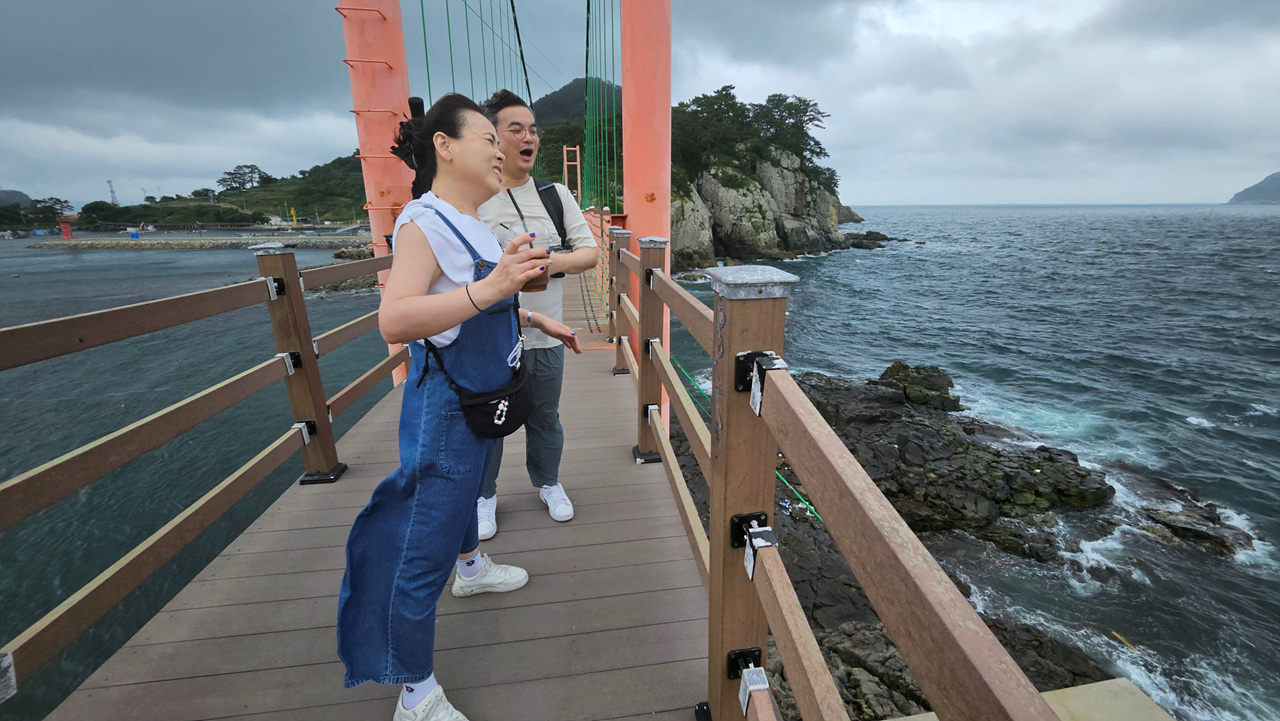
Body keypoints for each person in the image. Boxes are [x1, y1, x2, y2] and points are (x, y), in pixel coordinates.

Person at [336, 93, 583, 721]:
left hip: (481, 395)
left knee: (471, 490)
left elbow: (473, 301)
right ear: (444, 146)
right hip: (447, 406)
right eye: (489, 139)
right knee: (423, 548)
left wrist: (532, 317)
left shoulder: (470, 221)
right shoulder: (424, 221)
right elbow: (395, 320)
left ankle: (471, 569)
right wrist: (494, 287)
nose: (501, 151)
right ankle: (414, 694)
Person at [473, 89, 599, 539]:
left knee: (545, 415)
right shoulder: (473, 198)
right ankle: (483, 496)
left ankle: (548, 483)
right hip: (490, 337)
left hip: (547, 333)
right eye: (516, 129)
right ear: (492, 140)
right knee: (487, 421)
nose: (528, 137)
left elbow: (590, 253)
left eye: (533, 130)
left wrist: (546, 263)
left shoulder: (555, 195)